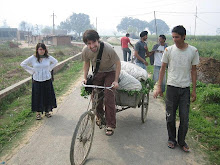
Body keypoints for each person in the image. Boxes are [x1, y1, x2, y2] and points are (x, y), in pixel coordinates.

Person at [154, 25, 199, 152]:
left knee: (184, 118)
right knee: (170, 116)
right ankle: (171, 139)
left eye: (177, 37)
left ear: (184, 36)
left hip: (185, 89)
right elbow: (162, 68)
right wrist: (159, 87)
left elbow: (194, 71)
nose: (174, 39)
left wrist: (194, 90)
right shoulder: (168, 50)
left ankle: (181, 141)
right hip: (171, 87)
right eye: (173, 37)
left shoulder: (193, 51)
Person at [82, 30, 121, 136]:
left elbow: (118, 63)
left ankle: (110, 124)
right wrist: (85, 78)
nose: (91, 46)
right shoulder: (86, 51)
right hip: (98, 72)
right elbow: (86, 63)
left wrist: (116, 80)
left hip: (110, 72)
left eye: (93, 42)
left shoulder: (108, 49)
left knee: (108, 96)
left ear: (98, 40)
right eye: (88, 44)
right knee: (95, 96)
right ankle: (99, 116)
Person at [20, 43, 58, 120]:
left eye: (43, 49)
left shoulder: (48, 57)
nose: (42, 51)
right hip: (37, 80)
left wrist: (49, 69)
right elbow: (23, 64)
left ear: (45, 50)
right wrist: (32, 70)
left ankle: (47, 111)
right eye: (40, 49)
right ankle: (38, 113)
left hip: (47, 80)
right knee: (37, 96)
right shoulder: (33, 58)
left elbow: (55, 62)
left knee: (47, 95)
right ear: (37, 50)